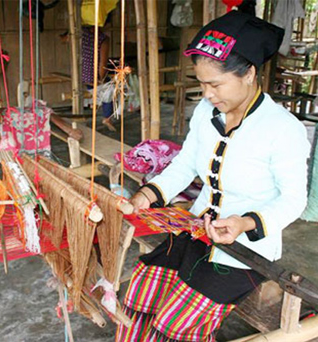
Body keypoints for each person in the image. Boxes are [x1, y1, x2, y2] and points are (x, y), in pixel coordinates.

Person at [116, 10, 310, 342]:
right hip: (195, 230)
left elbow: (294, 200)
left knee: (176, 323)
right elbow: (187, 164)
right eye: (202, 84)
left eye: (215, 84)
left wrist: (244, 223)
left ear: (248, 73)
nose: (207, 94)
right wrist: (146, 196)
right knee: (140, 294)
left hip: (248, 249)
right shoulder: (207, 113)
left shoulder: (282, 128)